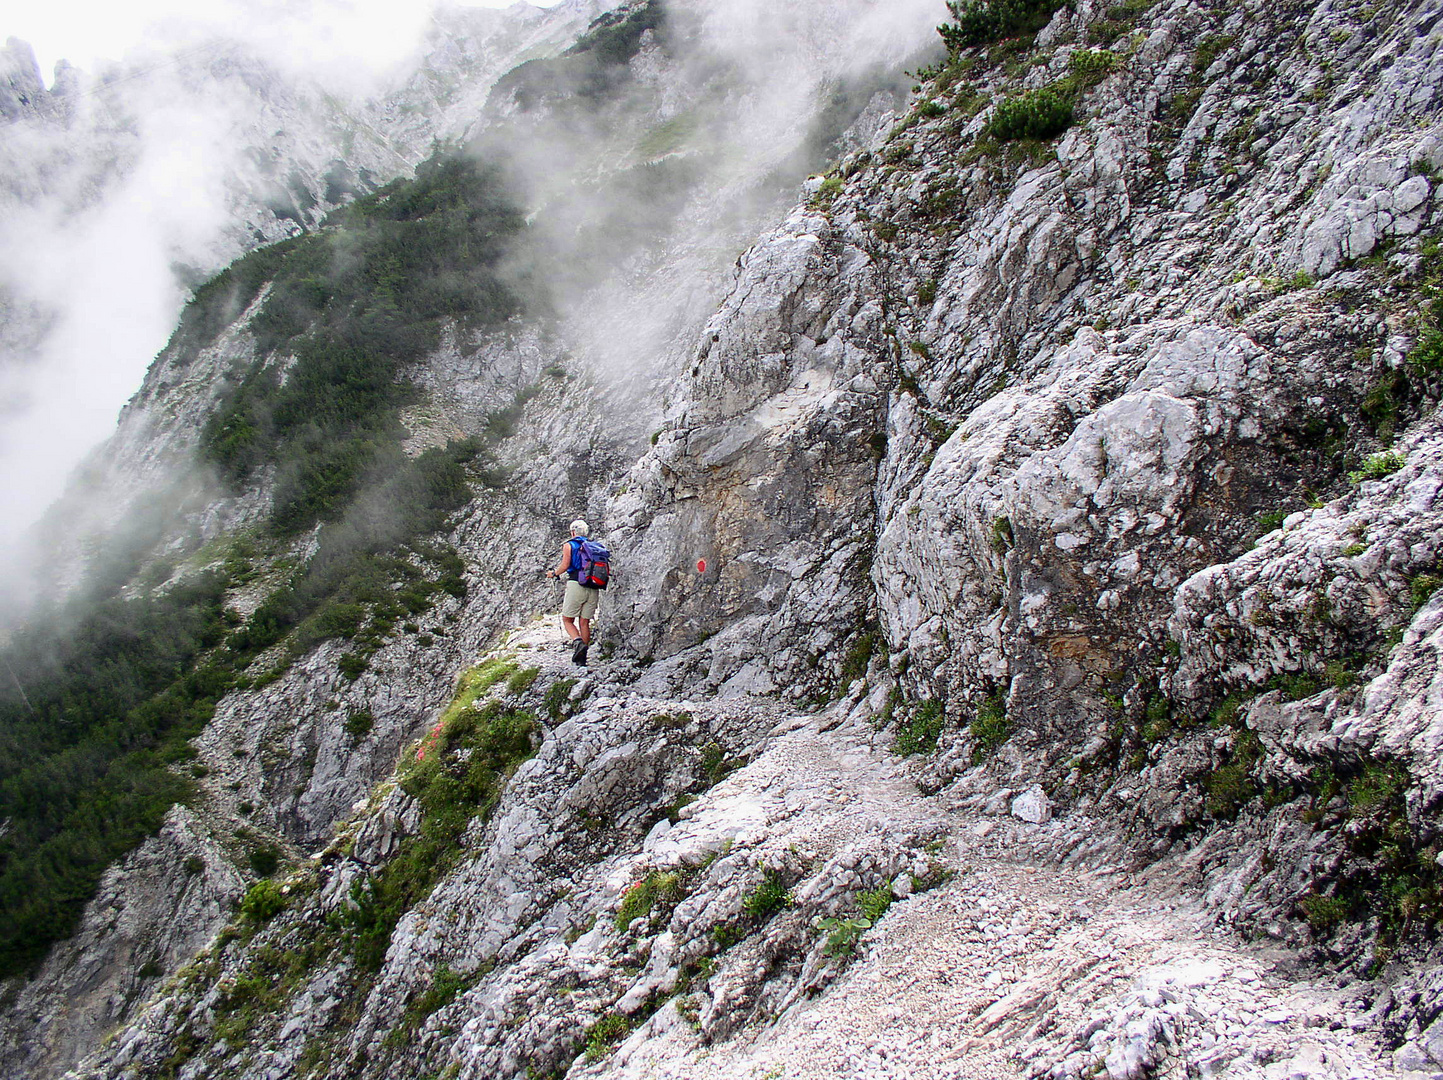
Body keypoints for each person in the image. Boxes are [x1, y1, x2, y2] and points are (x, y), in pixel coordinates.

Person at [546, 519, 599, 666]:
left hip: (576, 584)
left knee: (567, 619)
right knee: (584, 622)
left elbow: (565, 565)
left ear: (573, 532)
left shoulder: (569, 545)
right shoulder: (594, 546)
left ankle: (577, 642)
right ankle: (583, 658)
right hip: (593, 586)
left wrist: (554, 574)